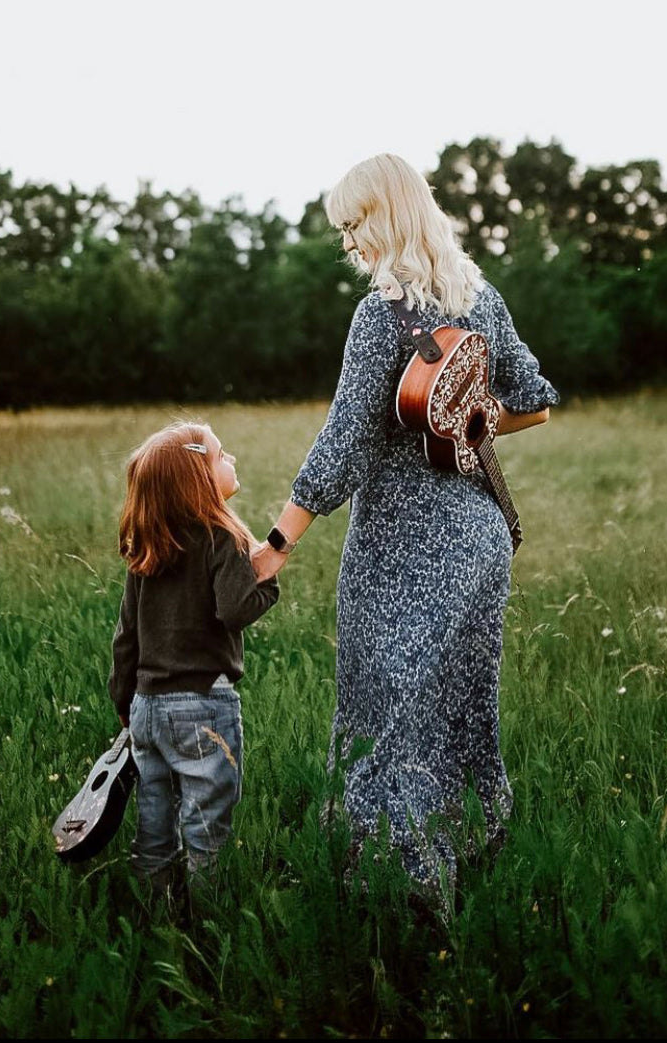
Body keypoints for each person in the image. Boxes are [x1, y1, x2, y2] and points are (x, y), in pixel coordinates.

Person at [252, 153, 558, 892]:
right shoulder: (480, 297)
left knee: (382, 714)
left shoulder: (378, 316)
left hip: (403, 547)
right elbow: (537, 400)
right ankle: (469, 846)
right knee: (458, 707)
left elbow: (347, 441)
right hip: (482, 540)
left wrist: (277, 542)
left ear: (386, 217)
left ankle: (396, 887)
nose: (347, 242)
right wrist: (472, 423)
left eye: (353, 224)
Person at [108, 421, 279, 900]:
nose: (233, 461)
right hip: (203, 707)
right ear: (198, 481)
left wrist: (123, 700)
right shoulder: (222, 537)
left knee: (154, 823)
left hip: (146, 706)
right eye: (222, 456)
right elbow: (235, 609)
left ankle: (155, 914)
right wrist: (268, 581)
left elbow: (127, 636)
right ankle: (208, 919)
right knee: (206, 826)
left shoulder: (148, 546)